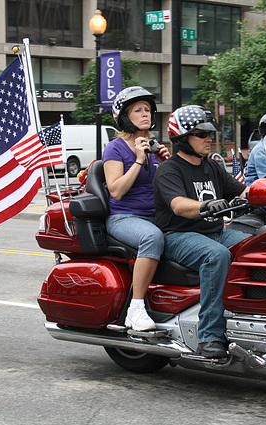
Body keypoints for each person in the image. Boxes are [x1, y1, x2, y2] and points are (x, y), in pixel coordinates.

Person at [153, 105, 250, 358]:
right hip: (177, 235)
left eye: (210, 134)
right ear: (182, 138)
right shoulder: (169, 169)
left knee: (255, 246)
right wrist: (205, 205)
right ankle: (209, 336)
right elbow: (178, 206)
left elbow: (241, 191)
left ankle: (248, 320)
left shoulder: (213, 166)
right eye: (202, 134)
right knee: (216, 255)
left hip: (214, 231)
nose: (210, 139)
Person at [103, 86, 170, 331]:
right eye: (138, 110)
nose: (146, 114)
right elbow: (117, 190)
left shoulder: (152, 146)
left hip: (155, 215)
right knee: (152, 237)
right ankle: (136, 308)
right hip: (124, 217)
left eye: (148, 110)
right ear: (124, 116)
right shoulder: (116, 148)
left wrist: (167, 161)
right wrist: (139, 160)